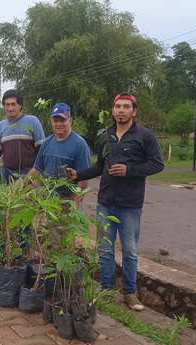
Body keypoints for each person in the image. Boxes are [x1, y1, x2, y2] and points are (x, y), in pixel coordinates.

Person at [67, 93, 164, 311]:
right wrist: (78, 175)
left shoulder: (144, 136)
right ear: (113, 111)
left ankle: (130, 293)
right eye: (118, 106)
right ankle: (106, 290)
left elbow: (157, 164)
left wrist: (130, 170)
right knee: (105, 250)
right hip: (105, 202)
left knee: (129, 251)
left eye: (126, 107)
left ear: (134, 111)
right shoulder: (106, 136)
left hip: (130, 204)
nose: (121, 110)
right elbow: (99, 166)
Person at [30, 103, 90, 200]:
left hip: (66, 200)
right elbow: (37, 170)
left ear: (70, 121)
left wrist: (75, 202)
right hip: (47, 199)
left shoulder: (80, 145)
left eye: (62, 120)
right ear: (51, 121)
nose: (58, 124)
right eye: (55, 120)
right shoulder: (46, 143)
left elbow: (83, 178)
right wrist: (20, 186)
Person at [0, 90, 45, 183]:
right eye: (7, 105)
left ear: (20, 106)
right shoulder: (0, 126)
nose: (10, 108)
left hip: (30, 171)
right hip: (8, 172)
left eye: (13, 104)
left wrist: (36, 171)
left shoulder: (33, 121)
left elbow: (42, 150)